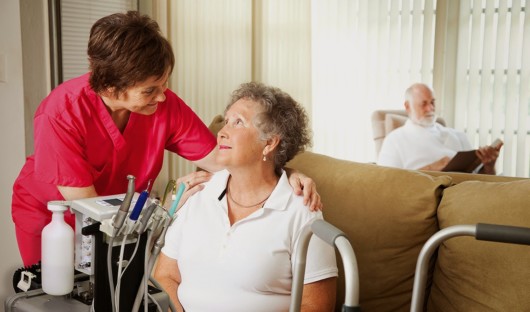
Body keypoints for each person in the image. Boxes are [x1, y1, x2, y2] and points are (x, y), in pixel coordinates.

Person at [11, 11, 321, 267]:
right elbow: (92, 211)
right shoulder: (61, 113)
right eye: (149, 90)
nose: (161, 97)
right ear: (109, 87)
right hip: (54, 218)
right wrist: (168, 207)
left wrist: (285, 172)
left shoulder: (163, 104)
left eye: (163, 84)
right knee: (57, 297)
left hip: (120, 217)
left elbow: (221, 159)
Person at [153, 82, 338, 312]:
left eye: (238, 122)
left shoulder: (302, 209)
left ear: (269, 143)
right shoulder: (197, 193)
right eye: (227, 121)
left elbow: (316, 306)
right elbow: (165, 275)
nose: (222, 131)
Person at [377, 83, 501, 174]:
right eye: (424, 104)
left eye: (432, 102)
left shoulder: (458, 135)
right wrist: (433, 168)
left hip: (468, 192)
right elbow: (387, 183)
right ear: (408, 106)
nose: (430, 108)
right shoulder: (395, 140)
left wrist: (489, 165)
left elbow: (481, 181)